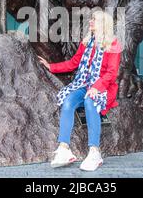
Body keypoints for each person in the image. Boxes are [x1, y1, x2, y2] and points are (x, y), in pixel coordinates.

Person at [38, 10, 122, 171]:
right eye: (91, 19)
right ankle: (64, 149)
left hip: (103, 88)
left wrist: (97, 88)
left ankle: (95, 152)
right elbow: (74, 63)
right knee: (68, 101)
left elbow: (112, 73)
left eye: (94, 20)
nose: (90, 22)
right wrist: (51, 66)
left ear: (103, 24)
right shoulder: (87, 42)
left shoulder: (113, 44)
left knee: (90, 102)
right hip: (84, 84)